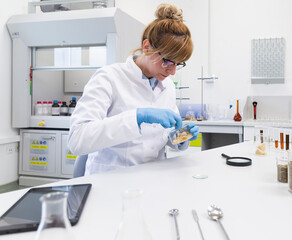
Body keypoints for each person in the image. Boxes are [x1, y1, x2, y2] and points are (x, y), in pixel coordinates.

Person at [68, 4, 199, 175]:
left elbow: (163, 137)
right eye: (167, 61)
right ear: (147, 47)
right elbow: (78, 140)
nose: (172, 71)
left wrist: (181, 137)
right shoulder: (109, 77)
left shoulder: (167, 86)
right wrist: (136, 117)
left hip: (154, 179)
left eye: (178, 64)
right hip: (112, 181)